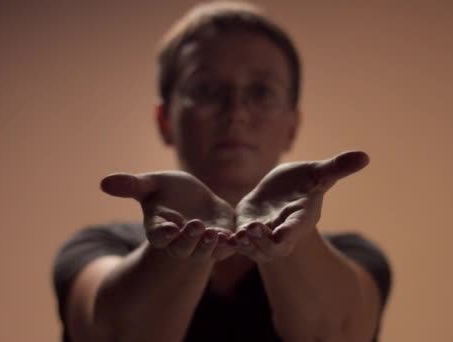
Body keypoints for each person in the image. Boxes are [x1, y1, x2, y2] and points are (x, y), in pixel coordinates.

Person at [52, 2, 392, 341]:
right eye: (206, 90)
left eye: (261, 91)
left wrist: (291, 244)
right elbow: (114, 330)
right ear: (165, 120)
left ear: (292, 124)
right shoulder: (98, 248)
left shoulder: (353, 255)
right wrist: (176, 249)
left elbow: (337, 331)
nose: (236, 112)